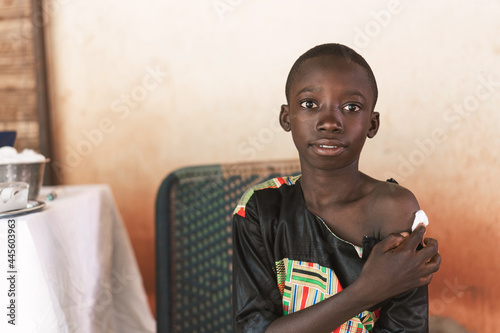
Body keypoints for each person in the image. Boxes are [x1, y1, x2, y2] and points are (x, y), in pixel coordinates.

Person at [232, 43, 441, 333]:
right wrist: (366, 292)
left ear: (372, 123)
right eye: (309, 104)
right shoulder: (260, 208)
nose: (330, 122)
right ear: (286, 117)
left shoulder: (393, 209)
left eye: (351, 107)